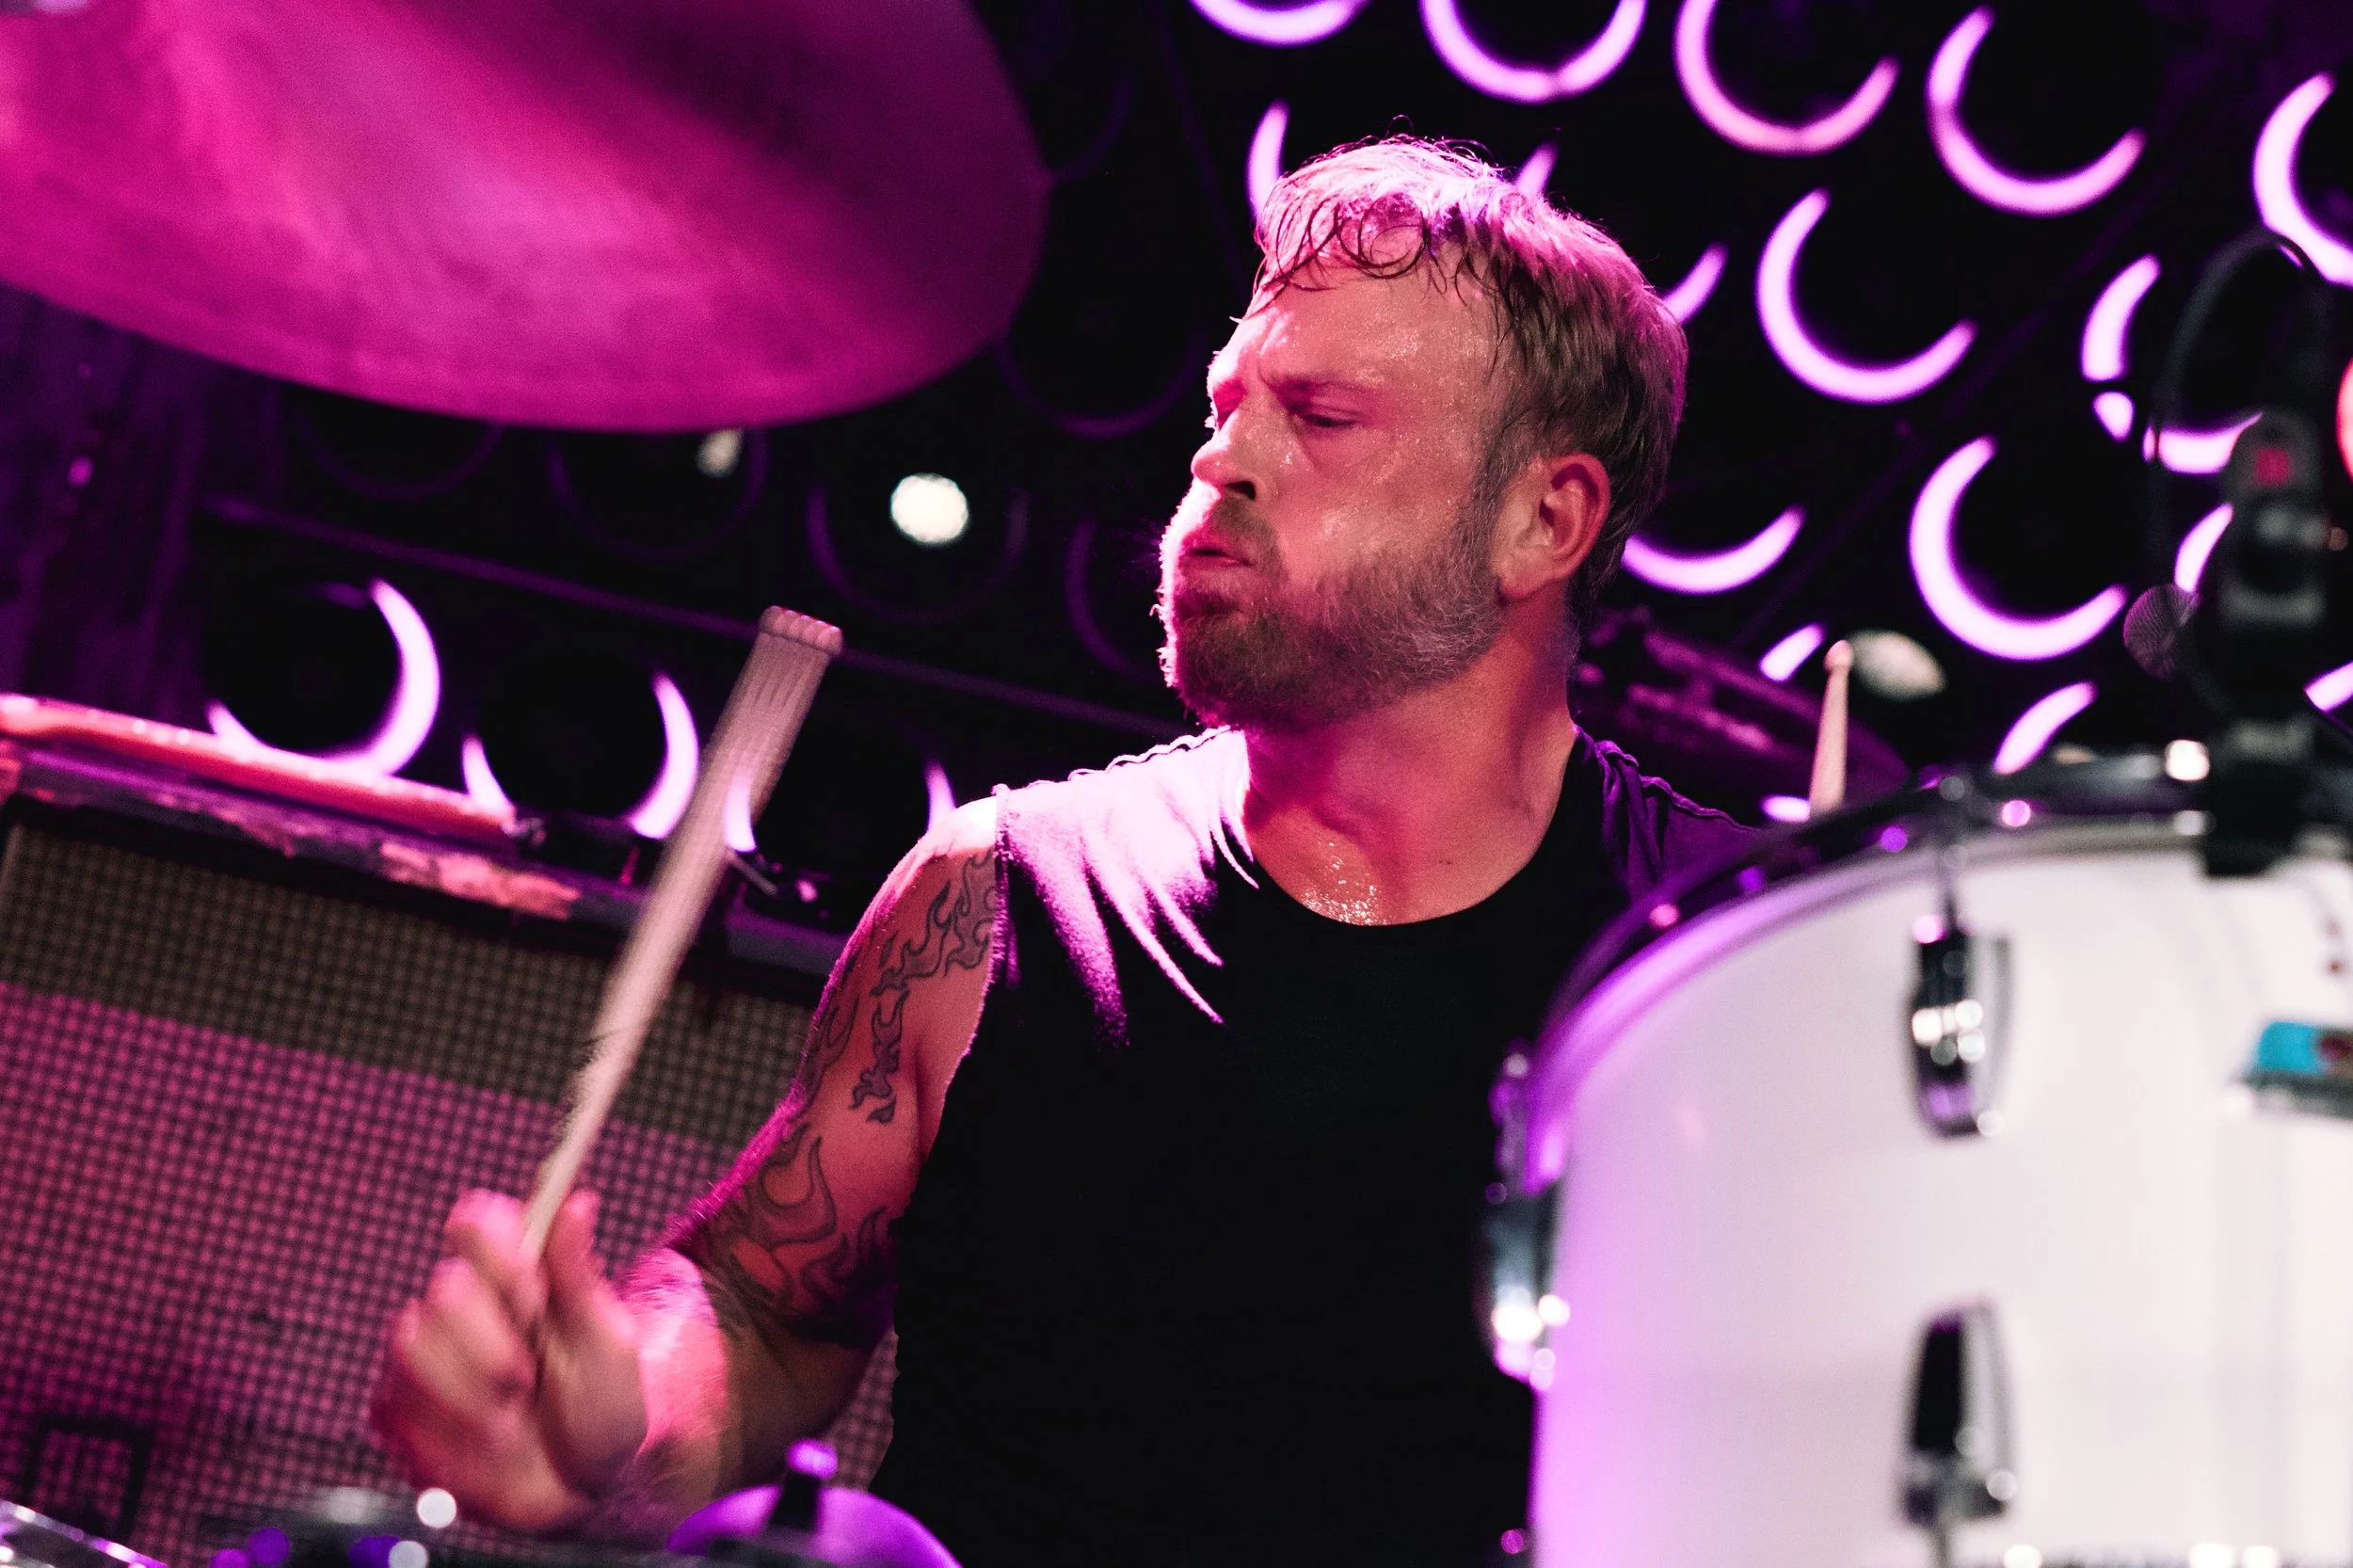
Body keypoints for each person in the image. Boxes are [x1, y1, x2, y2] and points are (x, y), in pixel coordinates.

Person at [373, 137, 1749, 1568]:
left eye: (1324, 418)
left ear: (1547, 517)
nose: (1223, 459)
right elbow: (764, 1310)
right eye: (1230, 407)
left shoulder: (1719, 971)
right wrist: (605, 1429)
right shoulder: (996, 900)